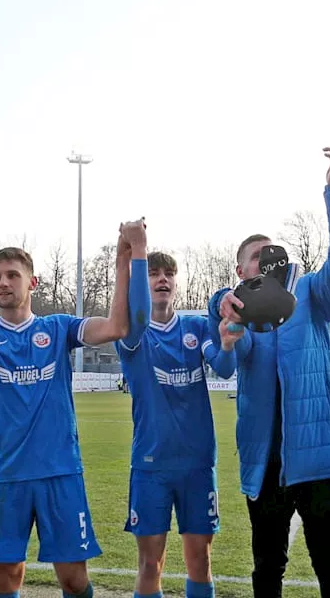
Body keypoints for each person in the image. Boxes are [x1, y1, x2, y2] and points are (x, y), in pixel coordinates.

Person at [0, 221, 142, 598]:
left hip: (60, 472)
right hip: (6, 476)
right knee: (5, 578)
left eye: (12, 275)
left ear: (33, 283)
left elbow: (116, 327)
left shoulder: (58, 328)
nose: (2, 283)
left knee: (74, 581)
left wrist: (123, 262)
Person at [209, 147, 330, 598]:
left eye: (272, 254)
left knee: (329, 562)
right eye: (256, 256)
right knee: (267, 566)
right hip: (264, 461)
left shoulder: (312, 294)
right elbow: (220, 367)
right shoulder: (230, 310)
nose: (267, 260)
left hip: (315, 456)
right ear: (241, 269)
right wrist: (226, 336)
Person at [116, 249, 234, 598]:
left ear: (177, 282)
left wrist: (226, 346)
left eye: (169, 273)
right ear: (143, 281)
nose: (162, 279)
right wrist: (135, 251)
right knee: (151, 563)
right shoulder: (132, 331)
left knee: (201, 558)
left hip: (198, 463)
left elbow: (224, 367)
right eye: (153, 273)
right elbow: (129, 309)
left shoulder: (196, 327)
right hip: (151, 465)